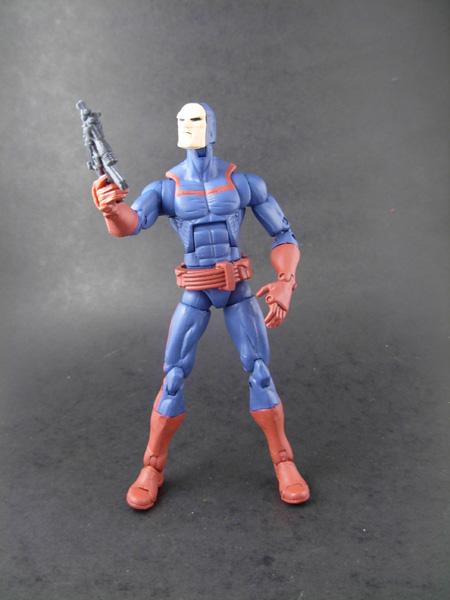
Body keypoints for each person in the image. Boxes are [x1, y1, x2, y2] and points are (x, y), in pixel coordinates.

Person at [91, 102, 310, 510]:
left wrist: (286, 282)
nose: (187, 125)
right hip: (195, 291)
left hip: (238, 289)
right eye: (182, 119)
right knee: (173, 376)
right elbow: (130, 224)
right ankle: (152, 466)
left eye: (195, 119)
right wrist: (110, 209)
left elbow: (284, 234)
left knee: (260, 372)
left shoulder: (243, 183)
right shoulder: (165, 189)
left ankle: (284, 460)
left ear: (212, 127)